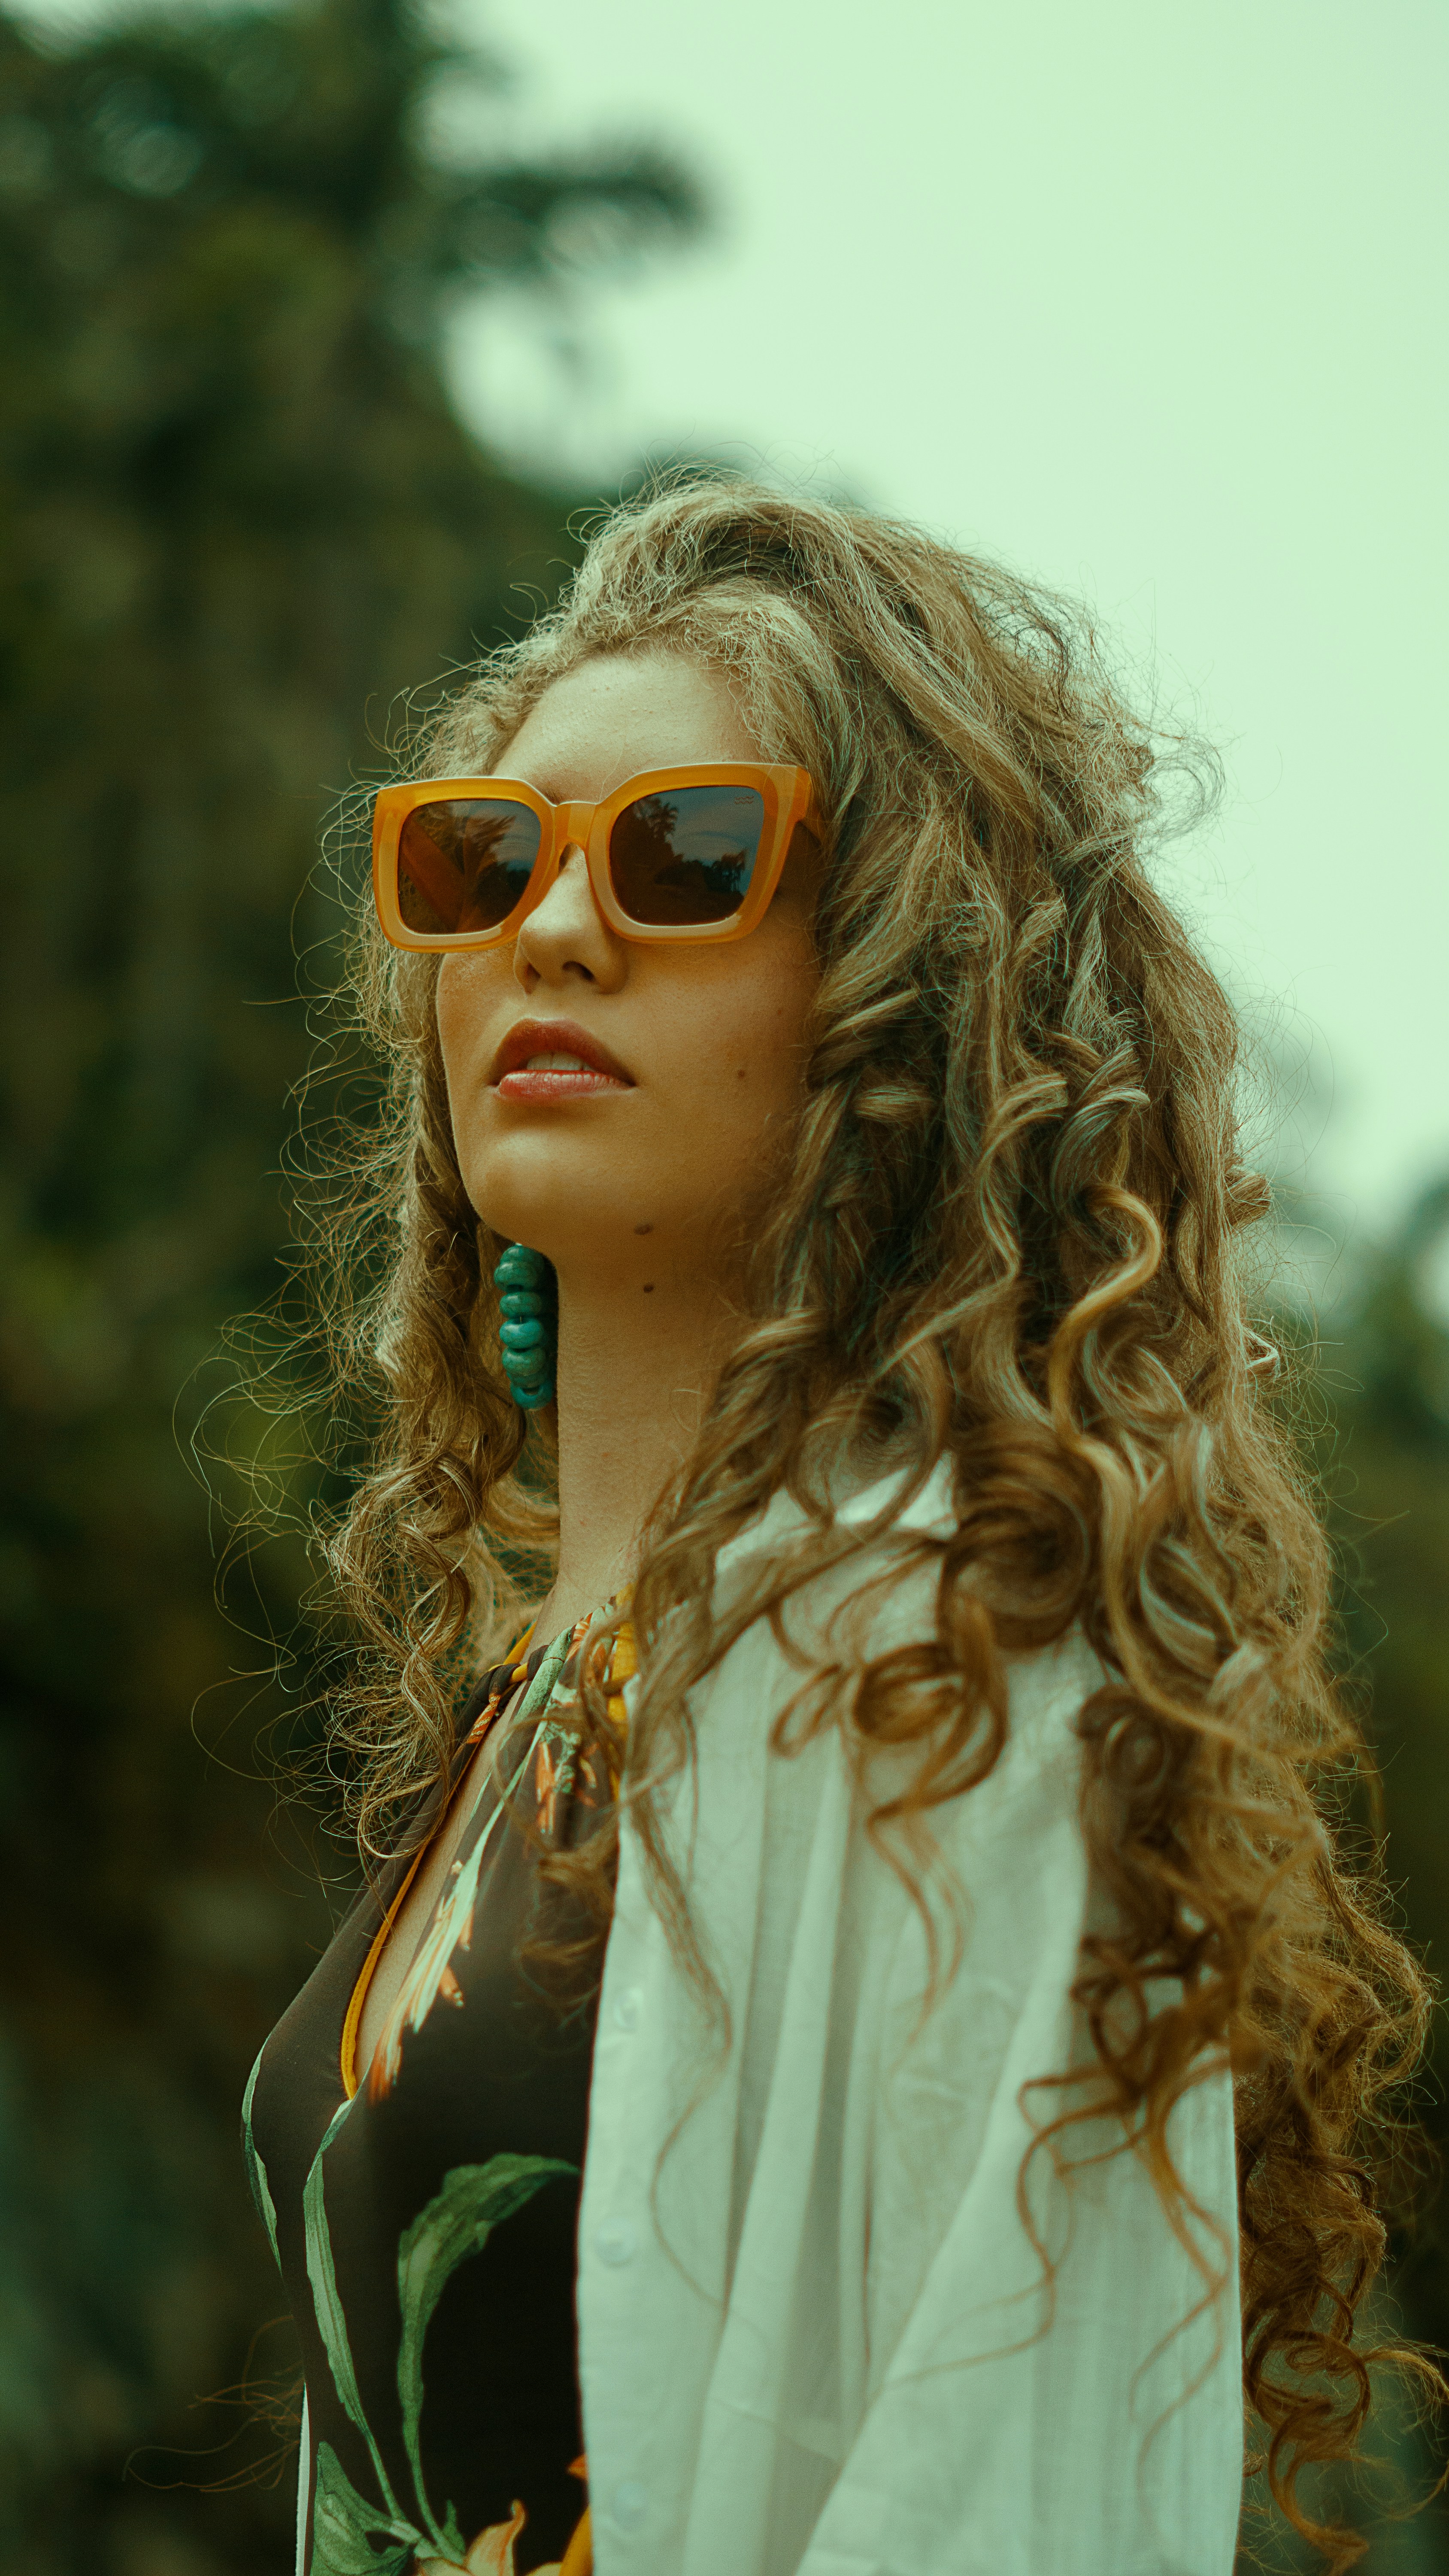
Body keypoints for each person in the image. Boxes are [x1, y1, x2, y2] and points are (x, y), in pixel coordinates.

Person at [241, 480, 1434, 2576]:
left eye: (688, 856)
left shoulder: (926, 1654)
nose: (553, 929)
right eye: (483, 859)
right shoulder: (551, 1686)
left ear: (901, 991)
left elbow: (995, 2494)